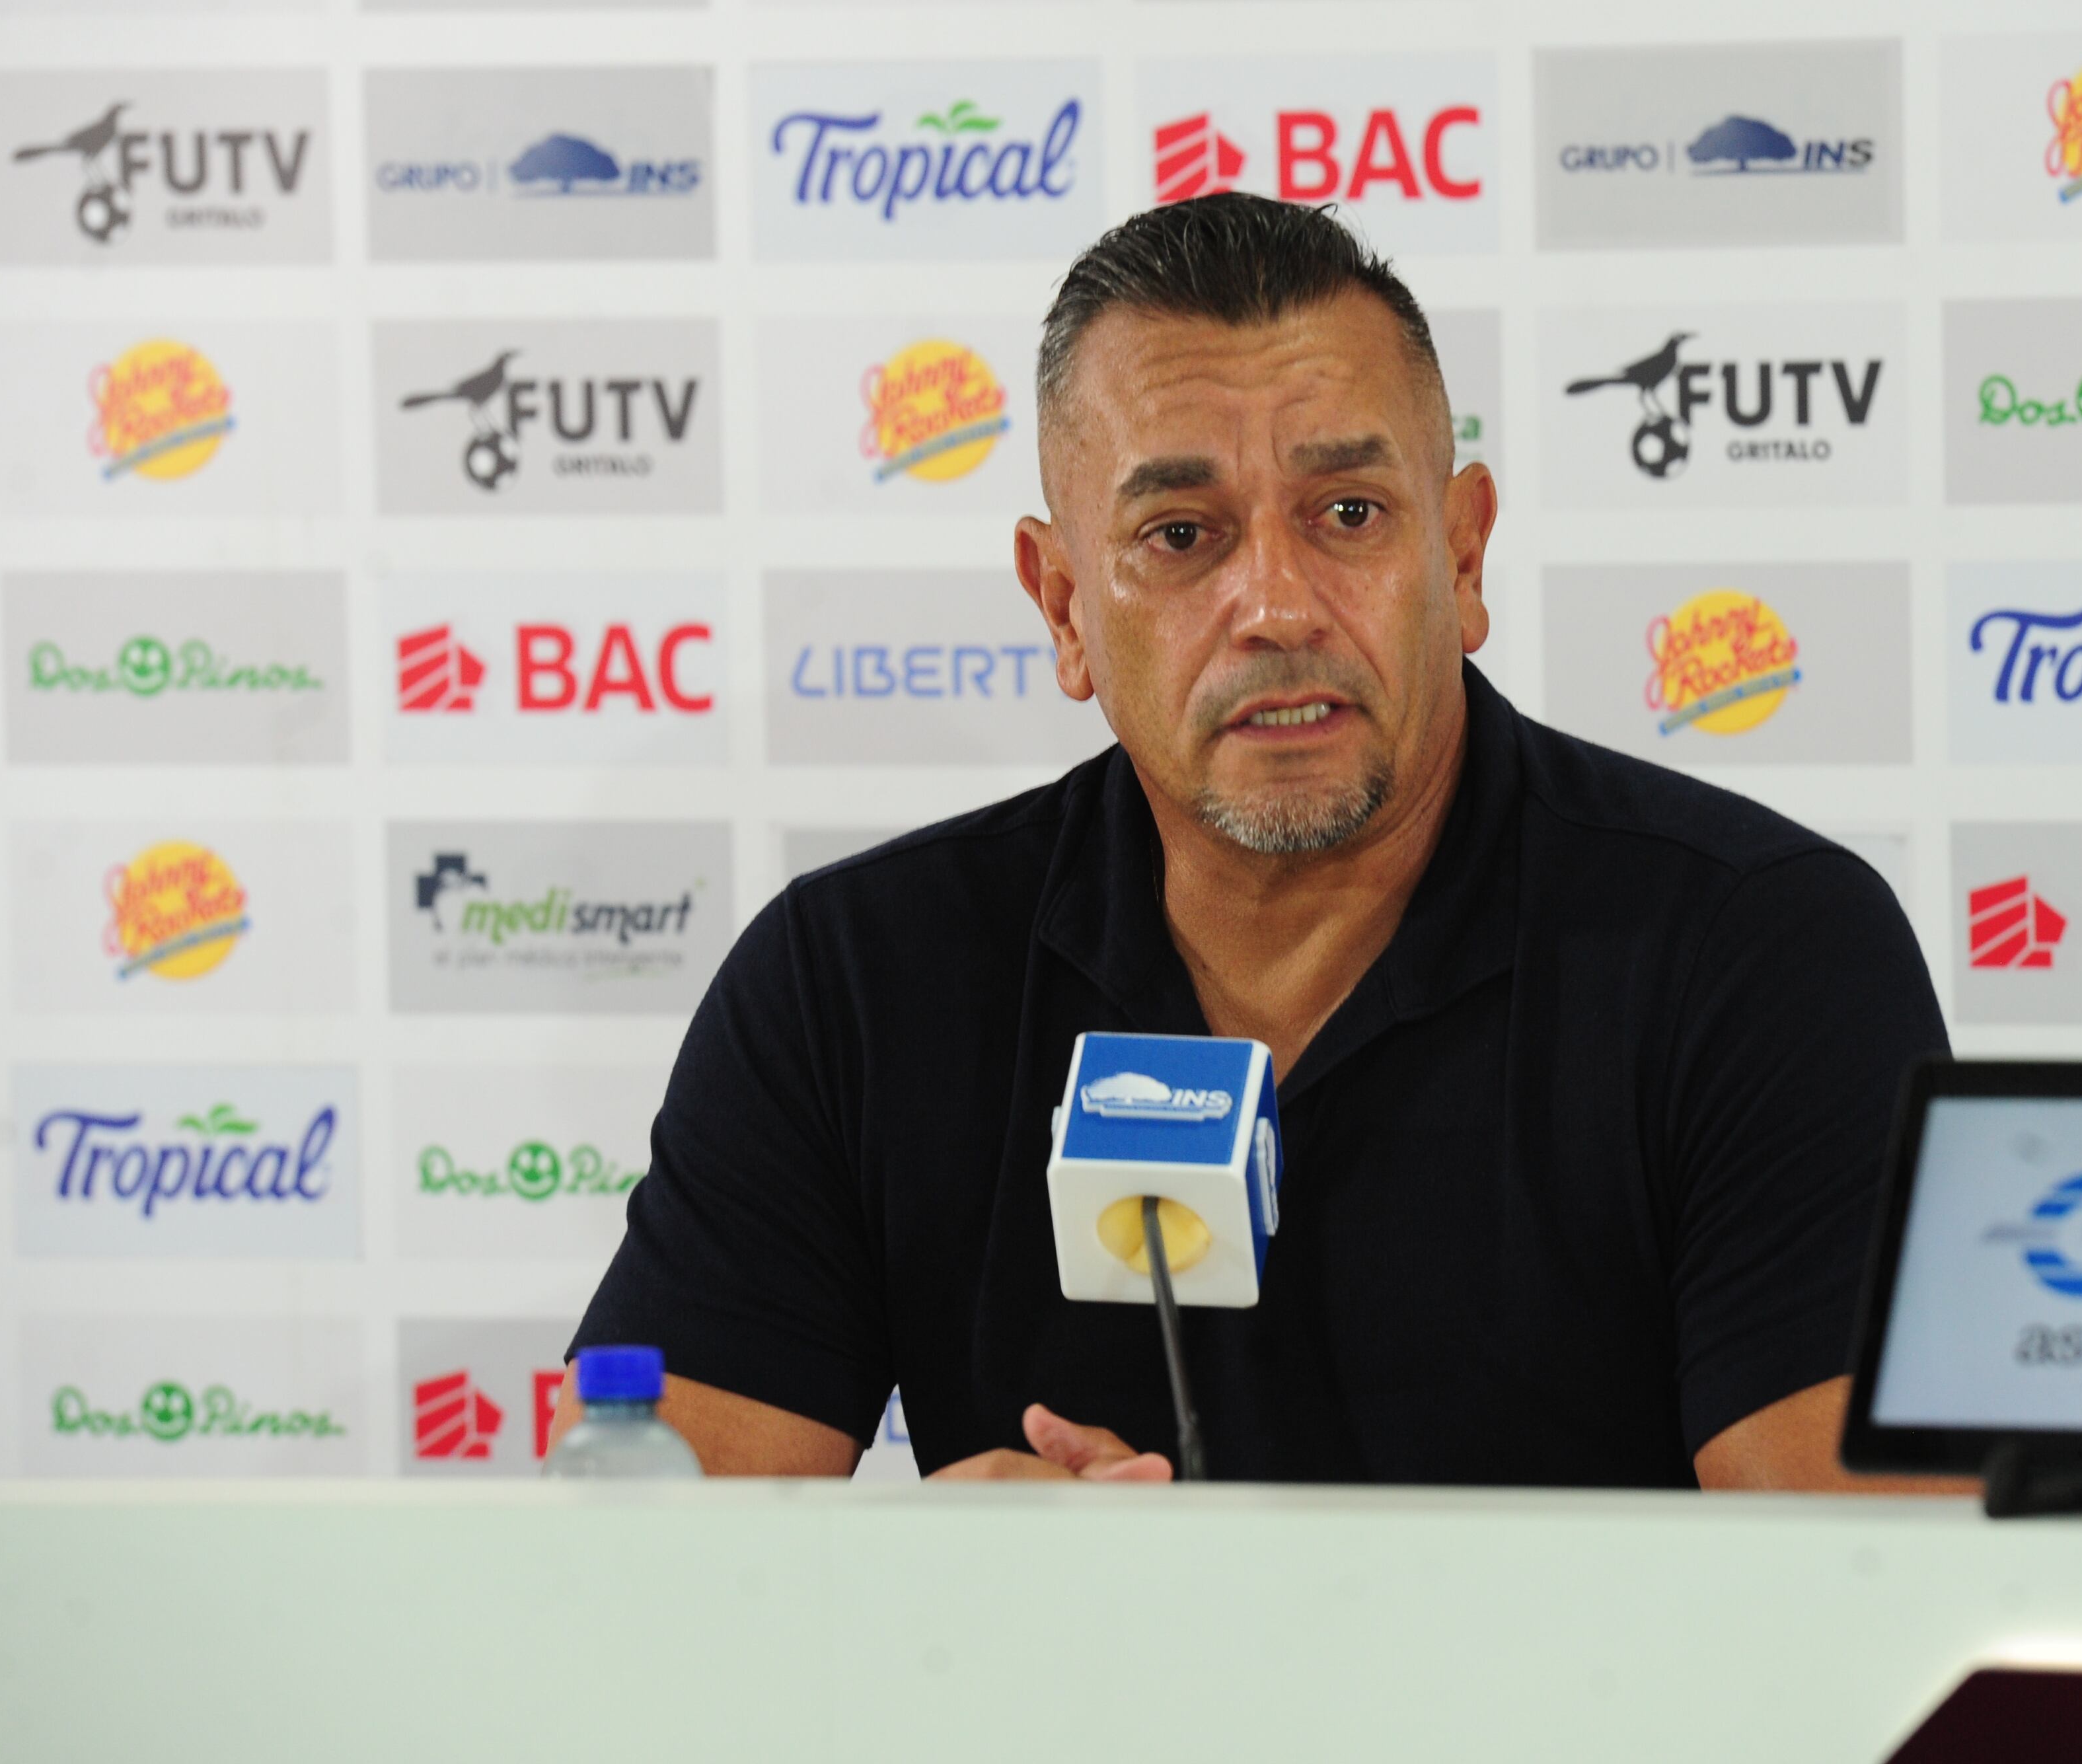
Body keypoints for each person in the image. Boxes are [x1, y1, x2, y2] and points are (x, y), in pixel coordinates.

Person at [560, 195, 1952, 1487]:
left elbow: (1860, 1590)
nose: (1276, 604)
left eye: (1348, 516)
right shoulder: (855, 980)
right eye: (1180, 535)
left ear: (1460, 560)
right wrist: (924, 1586)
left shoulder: (1761, 949)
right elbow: (644, 1578)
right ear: (1060, 606)